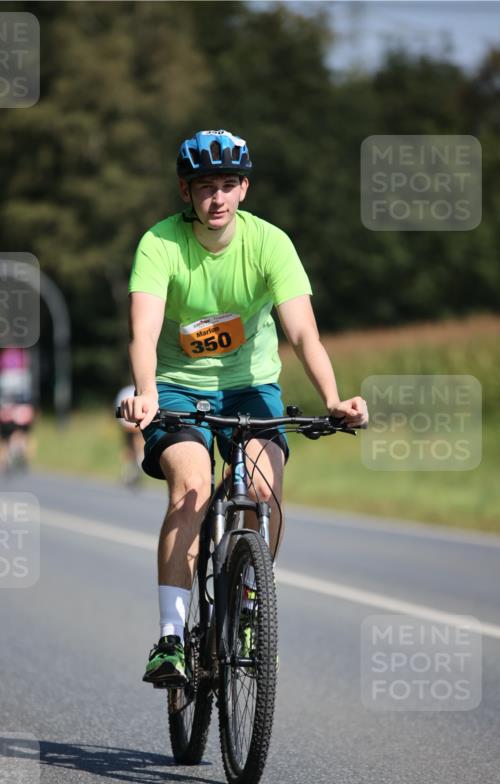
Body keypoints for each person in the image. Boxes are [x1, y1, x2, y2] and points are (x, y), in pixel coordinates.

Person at [121, 129, 368, 687]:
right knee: (193, 487)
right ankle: (170, 639)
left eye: (228, 185)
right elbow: (143, 330)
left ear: (244, 189)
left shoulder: (270, 244)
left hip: (251, 386)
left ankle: (252, 607)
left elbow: (303, 331)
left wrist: (333, 400)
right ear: (186, 192)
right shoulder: (159, 244)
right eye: (205, 187)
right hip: (177, 387)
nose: (217, 198)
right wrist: (146, 392)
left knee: (262, 488)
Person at [114, 384, 145, 487]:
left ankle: (133, 470)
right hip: (131, 424)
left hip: (131, 423)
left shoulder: (128, 390)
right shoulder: (129, 391)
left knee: (132, 447)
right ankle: (133, 470)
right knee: (132, 447)